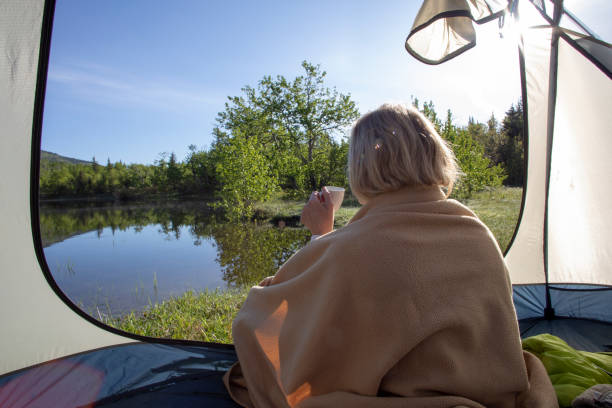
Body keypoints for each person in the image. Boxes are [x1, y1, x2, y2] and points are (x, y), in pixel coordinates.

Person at [224, 104, 557, 407]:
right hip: (495, 394)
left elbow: (265, 313)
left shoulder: (353, 248)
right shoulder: (477, 232)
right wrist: (326, 240)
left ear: (362, 166)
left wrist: (318, 237)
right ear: (434, 153)